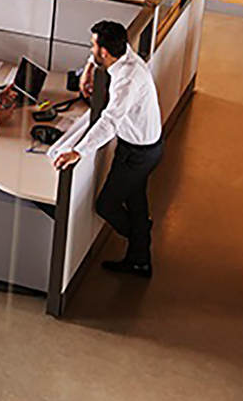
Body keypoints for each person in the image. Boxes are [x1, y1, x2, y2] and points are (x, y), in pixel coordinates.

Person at [48, 20, 163, 278]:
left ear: (105, 52)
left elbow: (109, 122)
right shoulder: (124, 55)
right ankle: (140, 259)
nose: (91, 49)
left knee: (106, 205)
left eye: (93, 46)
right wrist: (89, 68)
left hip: (138, 153)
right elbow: (99, 56)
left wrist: (79, 151)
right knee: (135, 200)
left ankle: (140, 241)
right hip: (144, 146)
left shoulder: (127, 82)